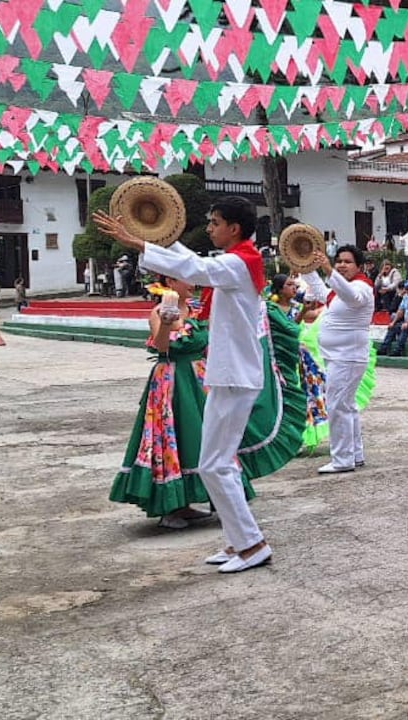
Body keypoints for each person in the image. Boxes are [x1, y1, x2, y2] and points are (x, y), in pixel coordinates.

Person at [94, 195, 279, 574]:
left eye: (214, 223)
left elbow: (194, 267)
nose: (209, 228)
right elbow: (194, 261)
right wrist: (160, 234)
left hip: (235, 376)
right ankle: (238, 540)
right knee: (214, 464)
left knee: (215, 465)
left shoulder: (240, 262)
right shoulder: (236, 261)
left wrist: (139, 243)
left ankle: (252, 544)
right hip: (227, 375)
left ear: (234, 229)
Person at [110, 277, 253, 529]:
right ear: (170, 281)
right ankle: (173, 506)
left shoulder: (199, 310)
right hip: (171, 381)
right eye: (184, 277)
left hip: (201, 378)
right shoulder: (158, 312)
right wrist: (166, 323)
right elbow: (161, 346)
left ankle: (223, 501)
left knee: (211, 436)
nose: (191, 283)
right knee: (175, 437)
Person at [299, 245, 376, 474]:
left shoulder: (362, 287)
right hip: (339, 357)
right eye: (339, 261)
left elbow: (352, 297)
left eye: (347, 261)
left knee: (336, 406)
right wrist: (305, 266)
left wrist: (328, 269)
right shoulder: (338, 292)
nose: (342, 265)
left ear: (359, 266)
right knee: (346, 406)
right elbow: (321, 291)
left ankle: (342, 459)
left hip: (347, 357)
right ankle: (354, 454)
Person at [271, 273, 328, 451]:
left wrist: (329, 306)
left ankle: (301, 435)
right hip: (281, 356)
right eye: (289, 285)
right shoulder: (271, 308)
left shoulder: (296, 306)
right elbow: (289, 328)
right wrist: (304, 312)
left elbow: (313, 315)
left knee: (307, 393)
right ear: (280, 289)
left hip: (300, 357)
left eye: (295, 285)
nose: (294, 287)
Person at [377, 281, 408, 356]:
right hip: (407, 320)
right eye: (407, 289)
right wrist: (393, 322)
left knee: (405, 328)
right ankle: (384, 348)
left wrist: (407, 323)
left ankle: (398, 350)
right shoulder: (406, 297)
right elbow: (401, 310)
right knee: (393, 327)